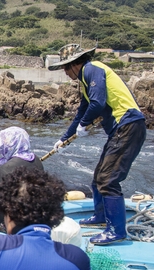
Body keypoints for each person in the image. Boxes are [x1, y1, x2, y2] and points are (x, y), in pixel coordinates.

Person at [48, 44, 147, 245]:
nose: (65, 73)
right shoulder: (85, 81)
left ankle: (116, 231)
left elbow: (98, 103)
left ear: (75, 64)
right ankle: (101, 216)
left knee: (108, 180)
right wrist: (64, 138)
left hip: (128, 124)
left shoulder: (93, 69)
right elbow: (82, 112)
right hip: (120, 130)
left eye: (66, 68)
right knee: (98, 178)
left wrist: (84, 125)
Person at [0, 126, 43, 233]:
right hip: (38, 218)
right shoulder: (36, 160)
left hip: (18, 223)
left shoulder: (7, 168)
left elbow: (1, 205)